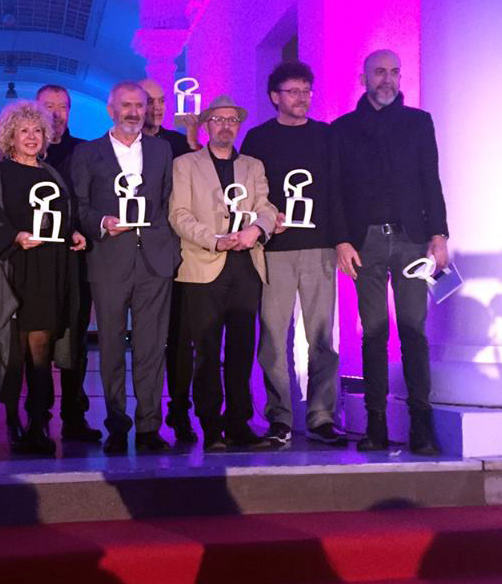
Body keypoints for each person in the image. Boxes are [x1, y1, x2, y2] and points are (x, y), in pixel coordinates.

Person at [330, 49, 449, 455]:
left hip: (414, 240)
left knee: (414, 332)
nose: (387, 79)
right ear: (363, 78)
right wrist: (342, 239)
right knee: (374, 334)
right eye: (379, 72)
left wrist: (439, 235)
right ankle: (375, 424)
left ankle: (421, 425)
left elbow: (430, 180)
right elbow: (336, 191)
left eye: (394, 72)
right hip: (366, 242)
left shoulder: (419, 123)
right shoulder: (343, 129)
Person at [241, 61, 346, 447]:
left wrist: (340, 240)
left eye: (306, 91)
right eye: (293, 91)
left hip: (319, 247)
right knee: (272, 338)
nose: (302, 98)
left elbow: (337, 190)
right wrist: (264, 221)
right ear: (275, 97)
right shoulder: (257, 139)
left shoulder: (326, 136)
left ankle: (321, 417)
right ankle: (279, 419)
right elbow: (249, 190)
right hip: (275, 249)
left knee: (321, 337)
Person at [71, 82, 180, 454]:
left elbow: (167, 202)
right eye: (126, 105)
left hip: (155, 261)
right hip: (109, 259)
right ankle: (117, 424)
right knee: (112, 347)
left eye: (140, 105)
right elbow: (79, 206)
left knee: (152, 348)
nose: (134, 112)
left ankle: (150, 426)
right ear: (111, 109)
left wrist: (169, 248)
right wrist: (102, 223)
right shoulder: (88, 153)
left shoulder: (163, 150)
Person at [0, 100, 87, 456]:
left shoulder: (54, 174)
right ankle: (15, 422)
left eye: (37, 130)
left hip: (50, 270)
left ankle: (38, 422)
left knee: (41, 353)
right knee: (14, 352)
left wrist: (75, 234)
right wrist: (14, 237)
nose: (31, 136)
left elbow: (64, 218)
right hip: (14, 269)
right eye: (24, 130)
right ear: (10, 135)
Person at [169, 95, 278, 451]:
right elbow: (179, 214)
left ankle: (238, 424)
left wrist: (255, 232)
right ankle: (211, 426)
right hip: (203, 265)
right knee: (206, 351)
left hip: (246, 266)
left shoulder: (254, 165)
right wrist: (214, 240)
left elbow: (266, 207)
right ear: (206, 125)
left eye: (232, 119)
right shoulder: (185, 164)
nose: (226, 125)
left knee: (242, 350)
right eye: (218, 119)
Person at [36, 84, 102, 442]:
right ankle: (39, 416)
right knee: (39, 341)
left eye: (62, 106)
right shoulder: (26, 154)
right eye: (49, 106)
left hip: (76, 262)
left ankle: (75, 416)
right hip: (38, 263)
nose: (57, 112)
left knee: (75, 342)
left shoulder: (85, 151)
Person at [139, 78, 199, 442]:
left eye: (162, 100)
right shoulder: (124, 145)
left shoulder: (179, 144)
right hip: (142, 255)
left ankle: (179, 412)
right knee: (148, 339)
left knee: (180, 337)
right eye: (150, 101)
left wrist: (193, 143)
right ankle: (145, 418)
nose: (158, 107)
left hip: (179, 254)